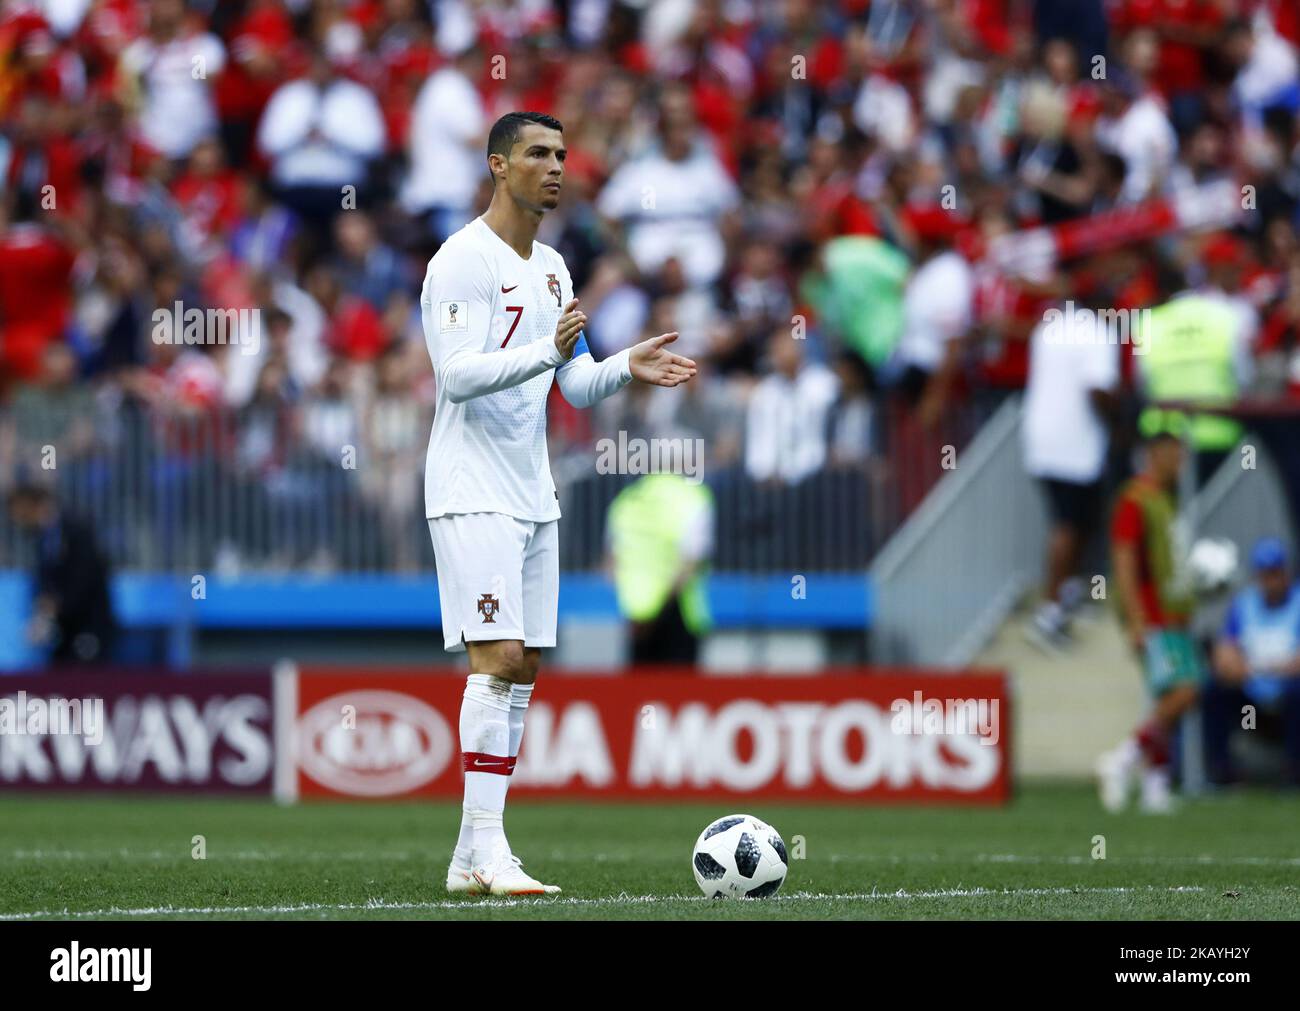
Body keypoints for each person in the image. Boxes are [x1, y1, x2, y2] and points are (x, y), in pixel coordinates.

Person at [420, 111, 698, 896]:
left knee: (526, 664)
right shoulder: (460, 261)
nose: (555, 166)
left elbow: (571, 382)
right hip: (470, 484)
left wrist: (623, 367)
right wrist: (547, 349)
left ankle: (471, 854)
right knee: (497, 657)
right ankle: (488, 849)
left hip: (529, 487)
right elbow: (457, 373)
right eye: (537, 153)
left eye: (562, 155)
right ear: (498, 165)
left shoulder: (551, 267)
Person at [1097, 413, 1202, 814]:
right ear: (1155, 454)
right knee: (1184, 691)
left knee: (1168, 698)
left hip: (1173, 613)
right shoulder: (1135, 500)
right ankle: (1122, 760)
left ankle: (1156, 784)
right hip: (1154, 617)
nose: (1180, 462)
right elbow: (1123, 561)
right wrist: (1137, 620)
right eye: (1174, 454)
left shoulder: (1164, 499)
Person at [1022, 291, 1120, 649]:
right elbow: (1098, 389)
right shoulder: (1095, 332)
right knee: (1070, 526)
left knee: (1074, 524)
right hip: (1076, 444)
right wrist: (1120, 420)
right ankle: (1049, 613)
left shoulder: (1048, 328)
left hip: (1042, 440)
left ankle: (1066, 598)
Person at [1204, 537, 1300, 786]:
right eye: (1265, 574)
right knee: (1215, 690)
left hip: (1288, 693)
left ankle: (1293, 773)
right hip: (1252, 705)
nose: (1271, 581)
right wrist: (1234, 666)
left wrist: (1272, 668)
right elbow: (1225, 651)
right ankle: (1222, 772)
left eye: (1276, 574)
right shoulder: (1244, 604)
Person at [606, 473, 714, 664]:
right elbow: (692, 560)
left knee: (640, 689)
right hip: (680, 612)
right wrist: (660, 608)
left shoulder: (627, 499)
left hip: (637, 615)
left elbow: (611, 562)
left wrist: (640, 610)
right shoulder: (693, 497)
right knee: (682, 690)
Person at [7, 481, 117, 666]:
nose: (17, 519)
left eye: (19, 511)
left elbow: (85, 578)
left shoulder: (75, 530)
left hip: (88, 625)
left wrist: (58, 604)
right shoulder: (42, 539)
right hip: (65, 630)